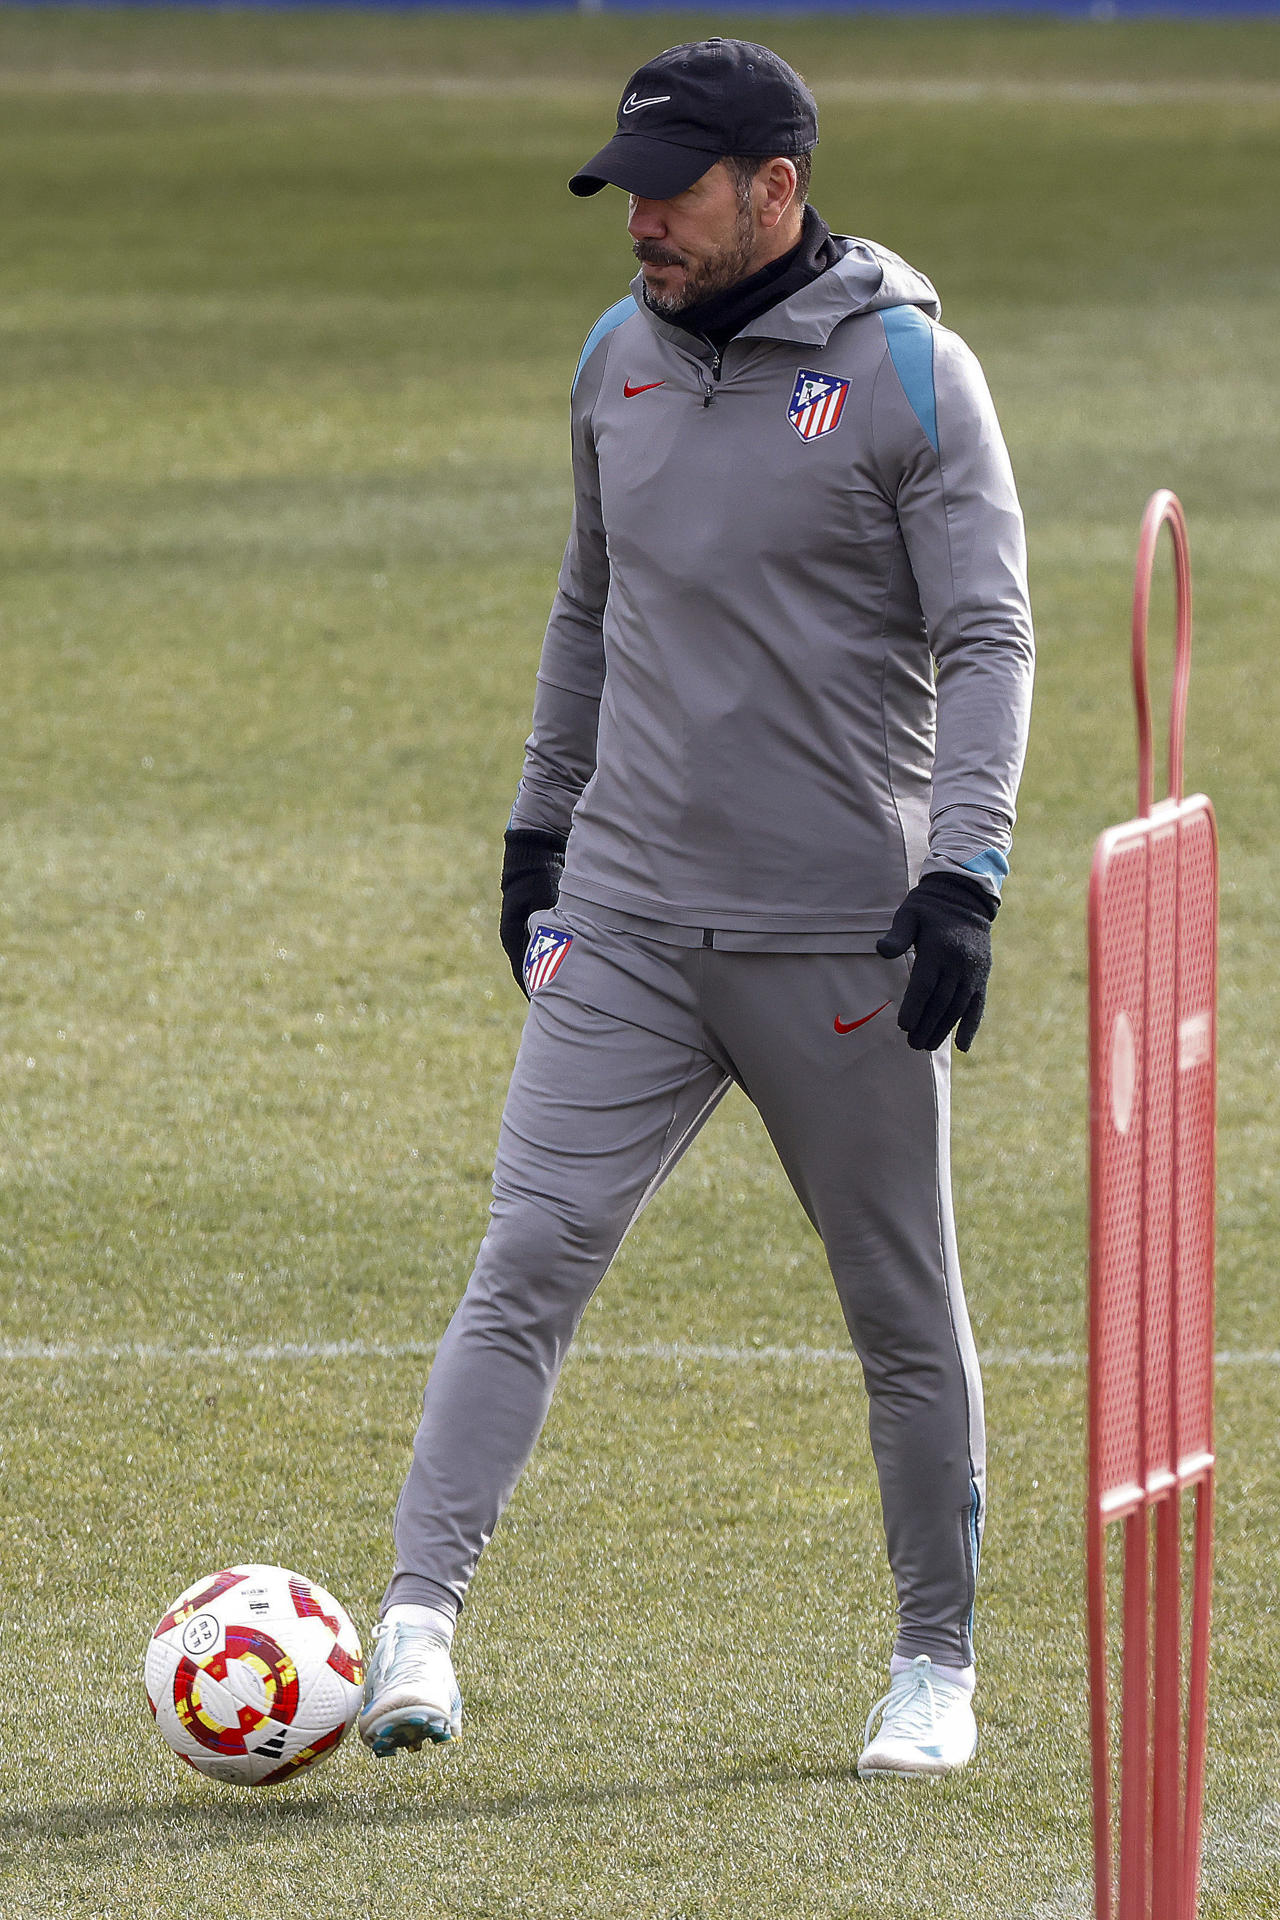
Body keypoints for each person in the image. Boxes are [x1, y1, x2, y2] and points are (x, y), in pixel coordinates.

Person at [359, 37, 1034, 1778]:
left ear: (775, 190)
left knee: (901, 1311)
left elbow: (987, 636)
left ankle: (934, 1666)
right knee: (527, 1256)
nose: (639, 220)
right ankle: (415, 1620)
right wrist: (538, 836)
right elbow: (588, 607)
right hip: (634, 921)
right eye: (627, 190)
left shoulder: (912, 374)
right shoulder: (618, 359)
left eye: (671, 192)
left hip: (840, 941)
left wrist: (963, 872)